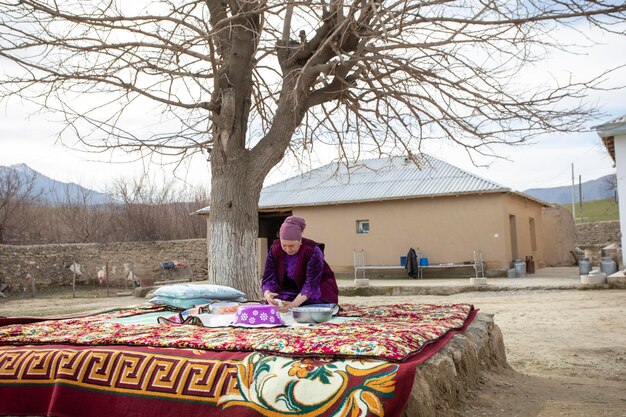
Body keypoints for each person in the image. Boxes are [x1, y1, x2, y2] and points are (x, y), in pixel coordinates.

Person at [261, 216, 339, 312]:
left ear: (300, 241)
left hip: (317, 287)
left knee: (319, 304)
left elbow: (311, 283)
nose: (287, 249)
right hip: (291, 290)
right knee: (275, 301)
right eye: (284, 245)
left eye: (292, 246)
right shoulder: (275, 248)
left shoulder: (312, 250)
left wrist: (294, 305)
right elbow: (268, 278)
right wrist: (268, 294)